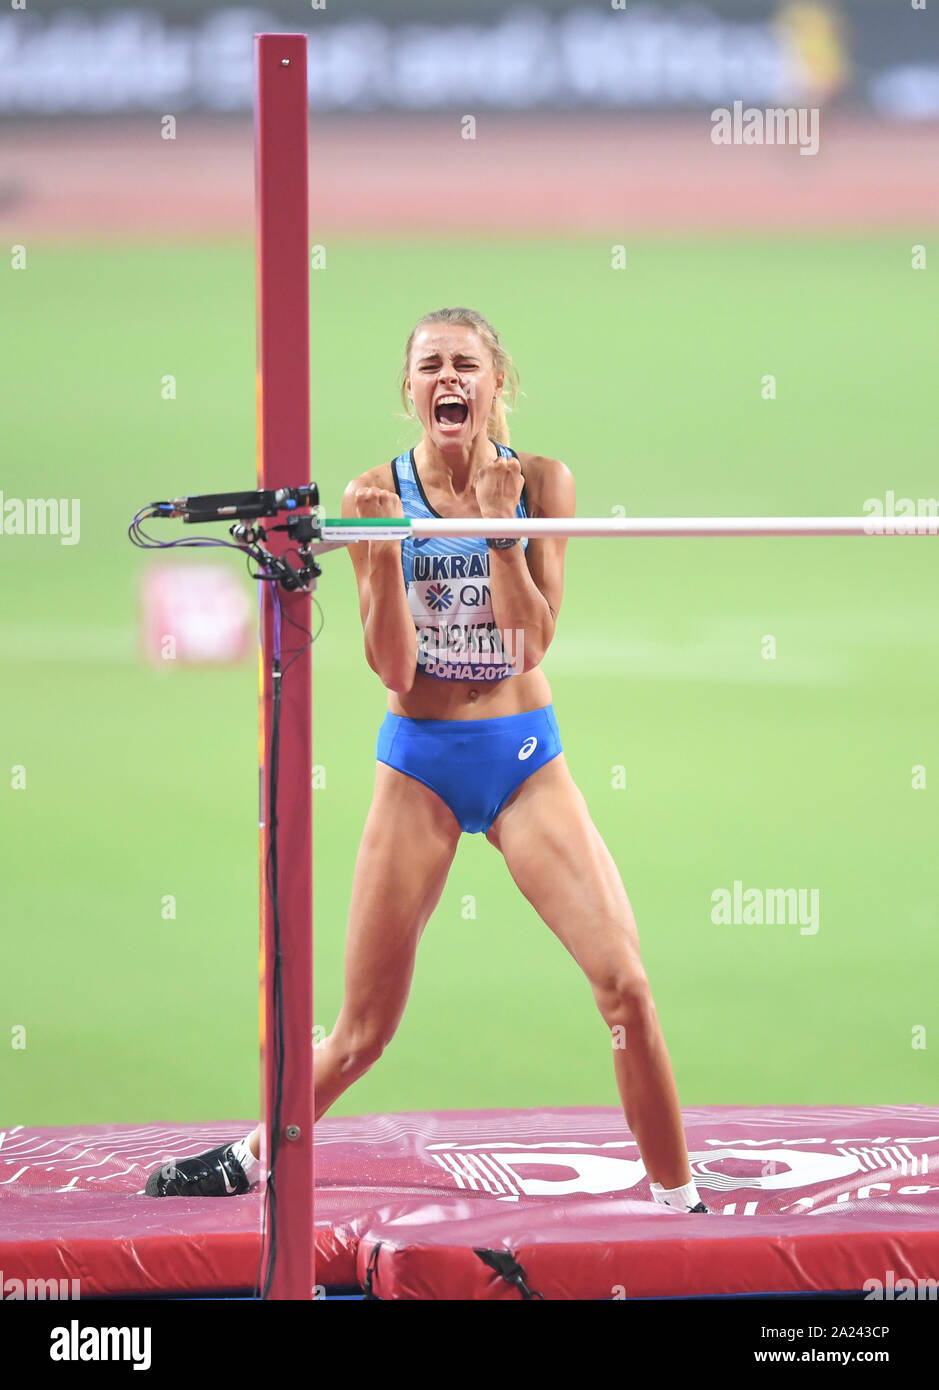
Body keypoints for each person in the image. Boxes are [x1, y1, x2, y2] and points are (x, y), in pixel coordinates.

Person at [145, 307, 708, 1214]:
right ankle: (251, 1156)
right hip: (421, 763)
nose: (449, 379)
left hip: (525, 759)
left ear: (497, 385)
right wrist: (373, 553)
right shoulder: (376, 493)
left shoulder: (543, 483)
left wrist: (495, 531)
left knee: (626, 988)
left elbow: (530, 646)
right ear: (409, 391)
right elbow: (394, 668)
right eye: (431, 366)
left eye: (467, 365)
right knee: (363, 1031)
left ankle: (681, 1205)